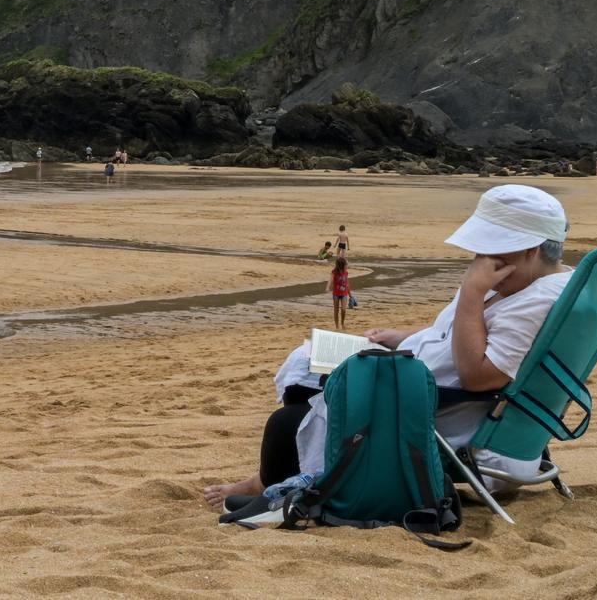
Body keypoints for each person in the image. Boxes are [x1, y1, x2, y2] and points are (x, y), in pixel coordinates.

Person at [202, 184, 573, 510]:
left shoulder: (527, 301)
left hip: (429, 406)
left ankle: (273, 482)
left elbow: (478, 378)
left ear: (533, 249)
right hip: (414, 380)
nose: (481, 262)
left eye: (493, 252)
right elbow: (454, 335)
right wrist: (405, 336)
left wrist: (473, 293)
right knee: (307, 366)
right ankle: (274, 476)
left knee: (288, 420)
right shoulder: (536, 282)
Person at [328, 256, 351, 330]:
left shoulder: (346, 272)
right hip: (336, 294)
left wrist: (350, 294)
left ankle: (342, 323)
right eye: (346, 264)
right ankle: (337, 326)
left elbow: (347, 284)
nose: (347, 265)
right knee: (336, 310)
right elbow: (330, 280)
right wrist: (328, 287)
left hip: (344, 293)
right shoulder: (334, 272)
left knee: (344, 309)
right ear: (342, 265)